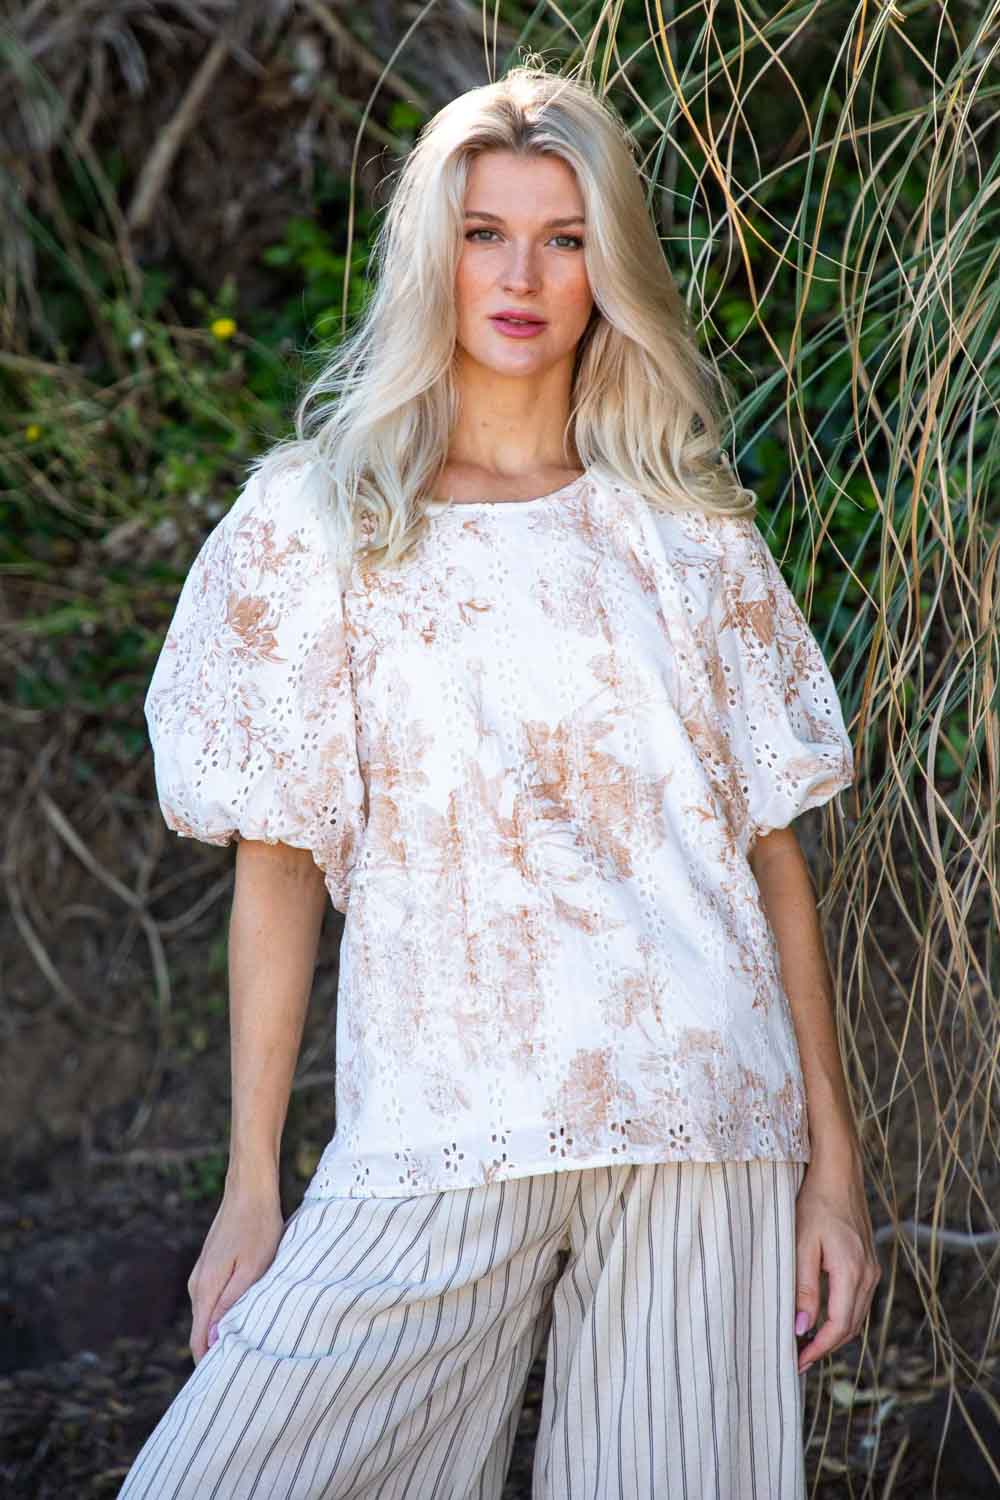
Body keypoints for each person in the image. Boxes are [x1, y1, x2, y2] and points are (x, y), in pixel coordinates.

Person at [118, 61, 880, 1500]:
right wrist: (251, 1187)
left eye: (565, 236)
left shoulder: (686, 534)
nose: (521, 275)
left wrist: (831, 1170)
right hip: (433, 1131)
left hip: (696, 1109)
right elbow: (275, 866)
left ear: (610, 267)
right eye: (484, 233)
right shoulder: (316, 525)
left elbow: (772, 858)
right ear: (433, 256)